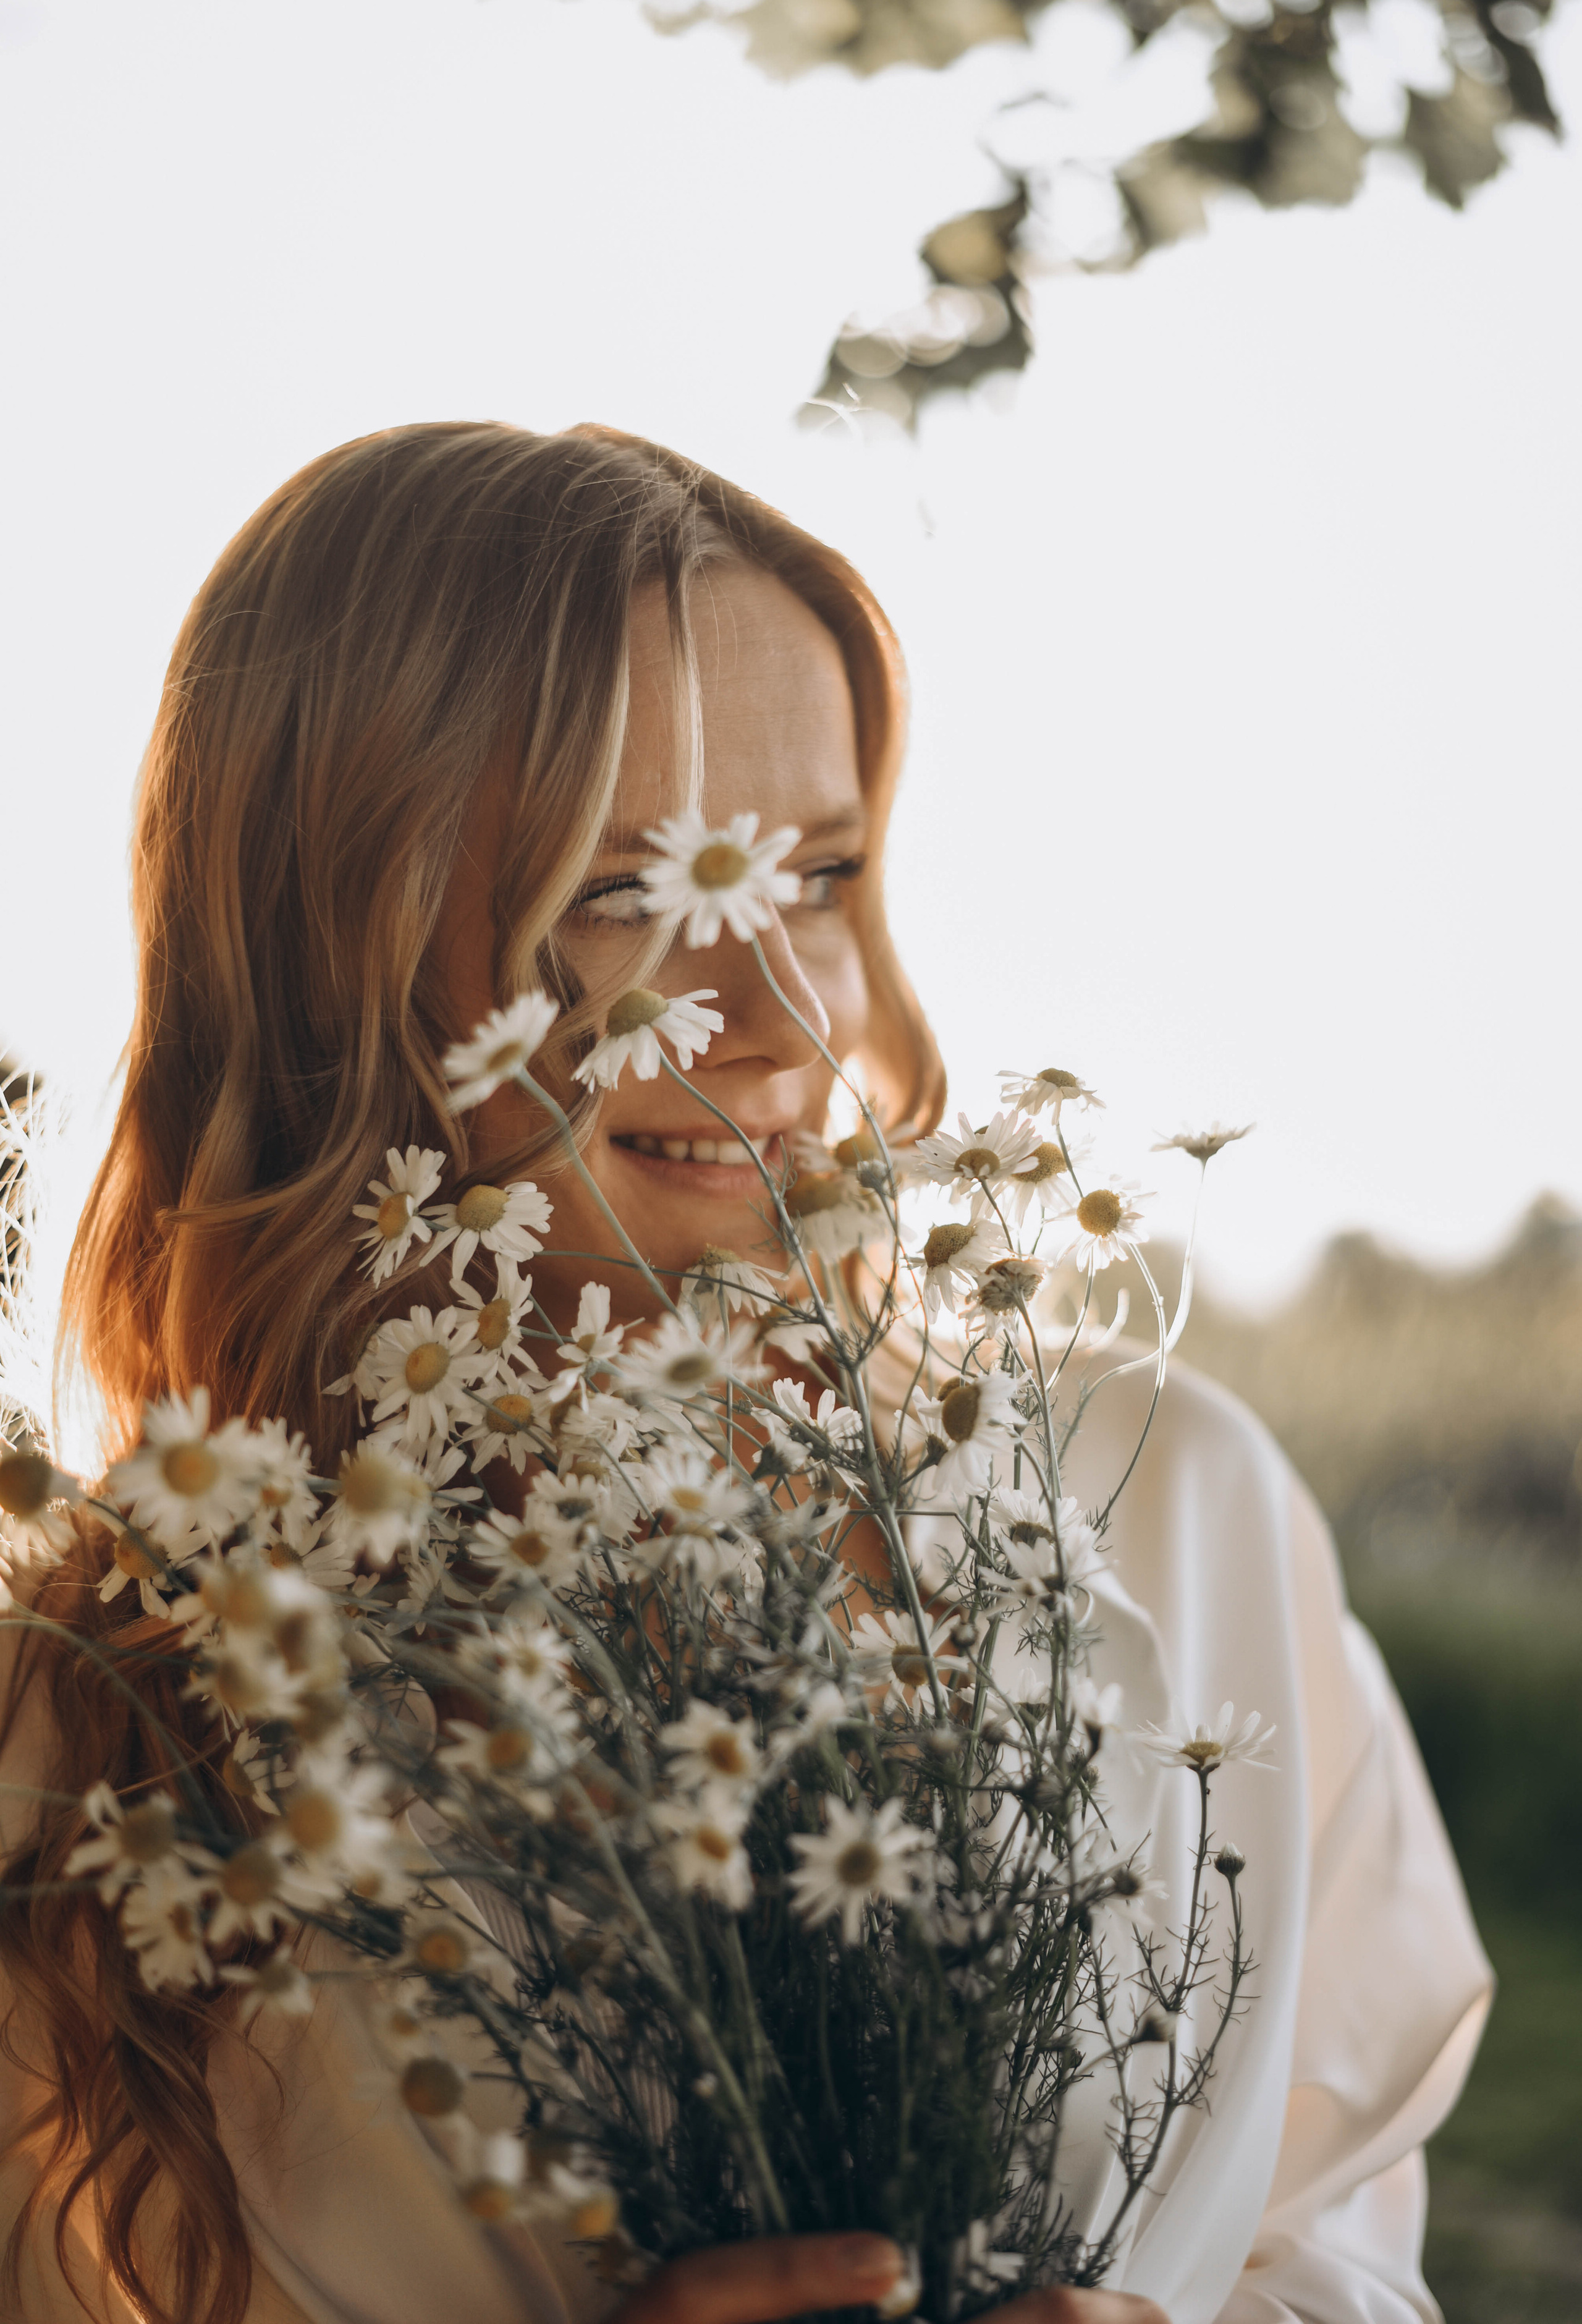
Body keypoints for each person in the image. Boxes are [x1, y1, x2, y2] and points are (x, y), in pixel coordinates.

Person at [0, 423, 1490, 2324]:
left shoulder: (1176, 1494)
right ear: (329, 956)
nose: (785, 1017)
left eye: (827, 873)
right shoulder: (84, 1729)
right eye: (639, 890)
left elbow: (1343, 2239)